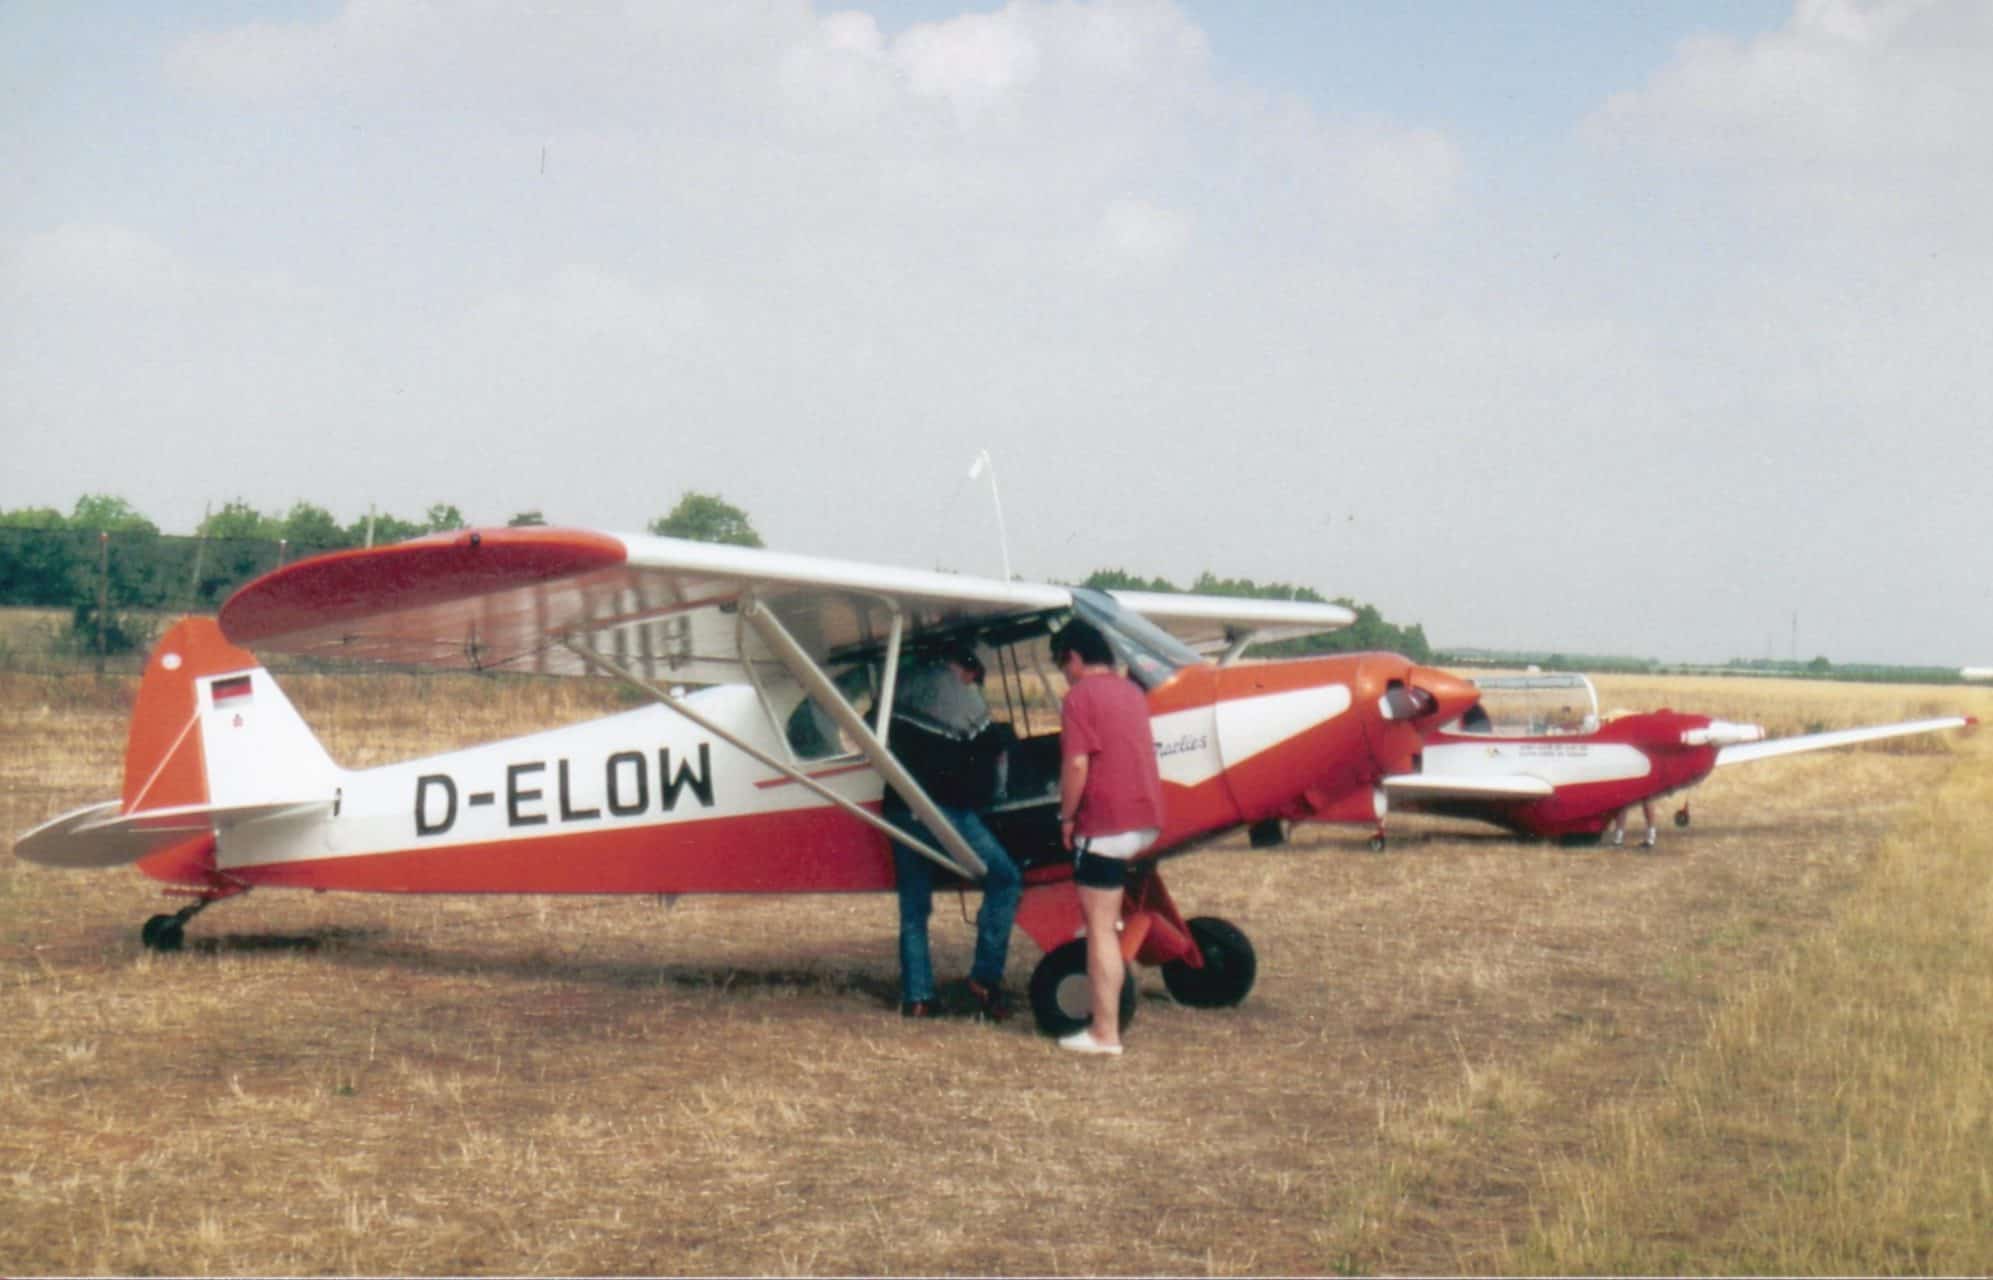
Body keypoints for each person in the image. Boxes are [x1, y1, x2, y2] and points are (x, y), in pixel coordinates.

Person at [883, 645, 1021, 1022]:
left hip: (899, 809)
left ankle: (918, 998)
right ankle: (984, 979)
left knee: (914, 910)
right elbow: (990, 761)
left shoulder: (904, 685)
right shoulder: (964, 697)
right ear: (970, 671)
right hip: (941, 812)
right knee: (1005, 880)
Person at [1050, 618, 1165, 1056]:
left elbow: (1076, 766)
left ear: (1074, 658)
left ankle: (1104, 1033)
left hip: (1105, 824)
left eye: (1064, 665)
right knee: (1107, 922)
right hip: (1145, 819)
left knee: (1099, 929)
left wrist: (1066, 816)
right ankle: (1107, 1022)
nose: (1066, 674)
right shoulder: (1131, 691)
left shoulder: (1079, 697)